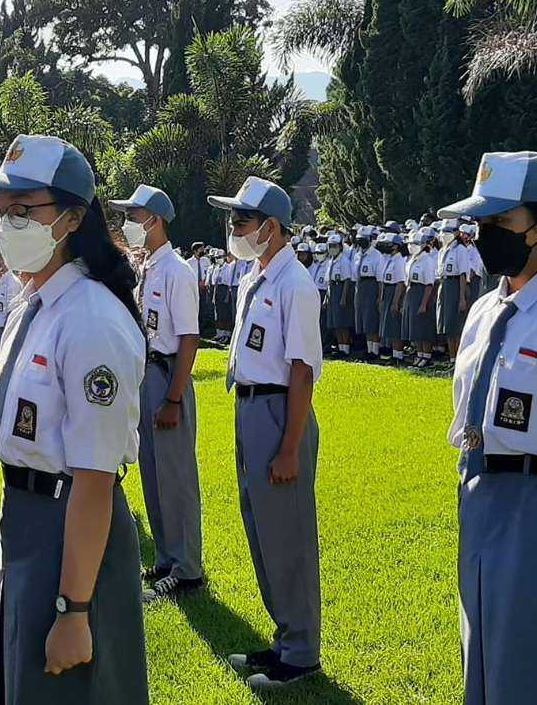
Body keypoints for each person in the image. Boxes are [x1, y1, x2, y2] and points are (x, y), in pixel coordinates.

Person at [0, 134, 149, 704]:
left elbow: (94, 477)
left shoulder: (91, 318)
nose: (3, 223)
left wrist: (74, 609)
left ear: (70, 218)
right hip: (26, 526)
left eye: (22, 210)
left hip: (71, 534)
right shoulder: (32, 304)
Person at [439, 151, 537, 705]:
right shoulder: (487, 308)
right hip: (480, 488)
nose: (485, 235)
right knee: (479, 642)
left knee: (528, 655)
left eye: (501, 224)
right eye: (481, 223)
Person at [207, 176, 323, 689]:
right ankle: (283, 639)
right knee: (262, 532)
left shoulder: (294, 283)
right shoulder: (260, 275)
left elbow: (302, 370)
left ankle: (301, 654)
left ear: (271, 227)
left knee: (288, 535)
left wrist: (290, 447)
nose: (233, 229)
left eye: (242, 220)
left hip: (279, 412)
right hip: (250, 408)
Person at [113, 184, 204, 601]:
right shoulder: (146, 267)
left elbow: (188, 340)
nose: (129, 224)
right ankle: (168, 558)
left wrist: (173, 397)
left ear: (156, 220)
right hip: (146, 375)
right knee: (152, 473)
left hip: (168, 377)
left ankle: (188, 569)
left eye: (134, 217)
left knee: (176, 477)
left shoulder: (176, 271)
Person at [435, 219, 472, 360]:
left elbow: (463, 274)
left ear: (456, 233)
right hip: (444, 284)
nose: (444, 235)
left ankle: (457, 358)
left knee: (455, 324)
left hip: (455, 285)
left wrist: (462, 297)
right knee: (446, 324)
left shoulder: (460, 250)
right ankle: (451, 358)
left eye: (448, 232)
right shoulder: (443, 250)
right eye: (443, 232)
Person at [402, 228, 437, 368]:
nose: (411, 246)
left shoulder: (427, 260)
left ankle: (426, 356)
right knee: (414, 327)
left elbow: (429, 284)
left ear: (423, 245)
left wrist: (424, 303)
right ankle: (419, 354)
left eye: (415, 243)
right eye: (410, 243)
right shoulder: (412, 259)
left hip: (422, 292)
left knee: (423, 326)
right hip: (412, 291)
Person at [353, 226, 383, 361]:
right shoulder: (358, 255)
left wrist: (379, 297)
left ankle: (374, 351)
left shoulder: (376, 255)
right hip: (360, 286)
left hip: (371, 285)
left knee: (371, 320)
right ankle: (368, 348)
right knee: (363, 320)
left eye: (364, 240)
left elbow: (380, 279)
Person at [376, 233, 407, 365]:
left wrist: (395, 302)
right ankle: (394, 354)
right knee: (389, 325)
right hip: (388, 291)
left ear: (396, 246)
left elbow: (400, 283)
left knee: (395, 326)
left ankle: (398, 355)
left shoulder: (399, 261)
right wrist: (381, 297)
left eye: (389, 244)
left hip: (395, 292)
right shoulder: (389, 259)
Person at [325, 232, 354, 358]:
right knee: (335, 322)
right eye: (330, 245)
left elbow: (347, 279)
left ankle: (345, 348)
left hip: (341, 288)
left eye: (335, 245)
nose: (332, 248)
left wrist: (343, 296)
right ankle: (340, 347)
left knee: (342, 322)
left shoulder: (344, 261)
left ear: (340, 247)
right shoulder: (331, 260)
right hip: (332, 289)